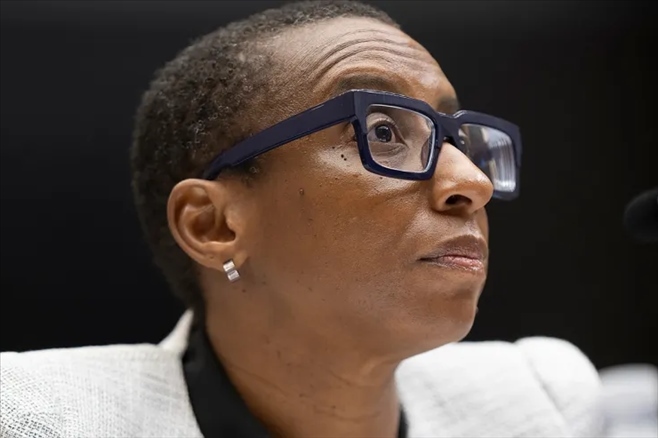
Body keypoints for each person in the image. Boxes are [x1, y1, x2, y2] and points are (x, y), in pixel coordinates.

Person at [0, 1, 604, 437]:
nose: (472, 182)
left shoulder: (539, 400)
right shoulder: (34, 417)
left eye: (459, 142)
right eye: (383, 131)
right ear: (214, 225)